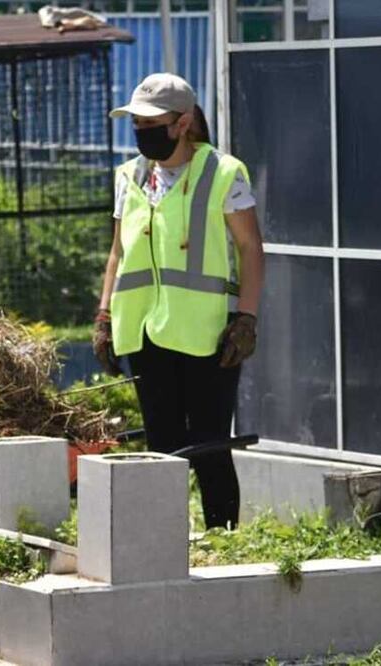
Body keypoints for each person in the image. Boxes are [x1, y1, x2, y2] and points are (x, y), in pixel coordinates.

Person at [93, 73, 265, 530]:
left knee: (209, 443)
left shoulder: (223, 172)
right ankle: (164, 544)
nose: (141, 130)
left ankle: (223, 539)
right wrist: (105, 315)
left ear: (183, 122)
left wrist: (246, 319)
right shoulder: (128, 177)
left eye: (152, 121)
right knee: (161, 446)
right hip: (142, 331)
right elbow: (118, 251)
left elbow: (250, 248)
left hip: (209, 333)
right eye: (135, 122)